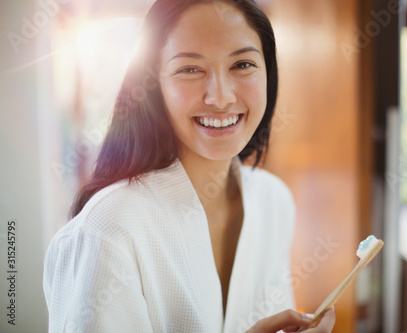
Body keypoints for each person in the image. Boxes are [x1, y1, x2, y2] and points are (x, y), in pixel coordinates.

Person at [43, 0, 336, 332]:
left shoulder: (274, 200)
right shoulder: (109, 230)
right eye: (190, 69)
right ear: (154, 86)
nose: (221, 97)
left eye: (242, 64)